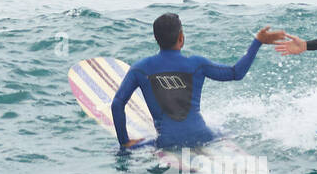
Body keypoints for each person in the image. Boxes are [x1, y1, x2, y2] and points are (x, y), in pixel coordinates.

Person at [112, 13, 283, 149]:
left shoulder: (140, 69)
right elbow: (235, 73)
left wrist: (124, 142)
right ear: (181, 38)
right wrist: (257, 42)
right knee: (226, 132)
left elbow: (117, 104)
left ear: (156, 39)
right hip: (203, 137)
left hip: (167, 142)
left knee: (121, 150)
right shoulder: (197, 64)